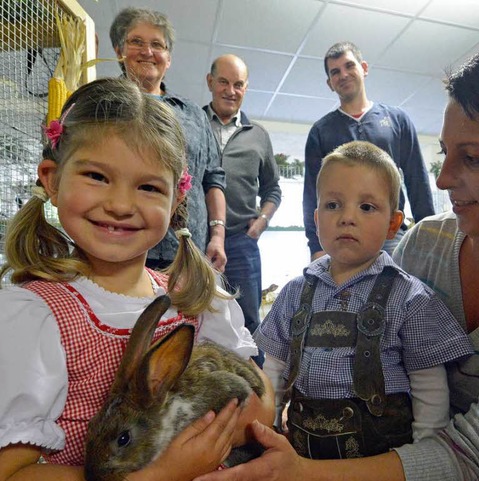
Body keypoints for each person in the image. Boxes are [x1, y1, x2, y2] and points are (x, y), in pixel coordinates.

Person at [192, 11, 479, 481]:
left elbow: (478, 454)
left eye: (474, 158)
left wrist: (299, 472)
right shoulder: (426, 244)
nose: (444, 179)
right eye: (446, 153)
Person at [0, 77, 274, 481]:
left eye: (148, 186)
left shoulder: (195, 300)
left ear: (176, 199)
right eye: (96, 176)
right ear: (52, 179)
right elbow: (11, 472)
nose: (120, 205)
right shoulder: (35, 316)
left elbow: (261, 403)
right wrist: (161, 473)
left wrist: (219, 432)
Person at [255, 140, 473, 459]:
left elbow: (429, 384)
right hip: (302, 457)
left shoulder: (410, 298)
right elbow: (273, 369)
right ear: (316, 220)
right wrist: (269, 428)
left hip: (379, 462)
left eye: (366, 207)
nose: (347, 218)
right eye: (333, 205)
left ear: (392, 225)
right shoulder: (293, 293)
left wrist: (426, 452)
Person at [110, 7, 227, 271]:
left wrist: (218, 236)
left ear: (168, 58)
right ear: (119, 51)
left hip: (187, 251)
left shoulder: (194, 114)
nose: (147, 52)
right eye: (136, 42)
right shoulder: (102, 105)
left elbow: (213, 179)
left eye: (157, 45)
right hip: (120, 249)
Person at [303, 41, 434, 261]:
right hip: (340, 235)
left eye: (349, 66)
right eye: (335, 72)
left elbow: (417, 179)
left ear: (364, 68)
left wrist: (430, 237)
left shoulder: (397, 120)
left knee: (397, 292)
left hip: (390, 237)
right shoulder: (320, 131)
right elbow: (311, 193)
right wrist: (316, 246)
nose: (343, 75)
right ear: (329, 83)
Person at [203, 54, 282, 364]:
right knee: (200, 318)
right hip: (195, 237)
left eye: (238, 84)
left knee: (250, 321)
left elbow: (273, 188)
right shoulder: (193, 124)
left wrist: (261, 222)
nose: (230, 90)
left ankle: (257, 397)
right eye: (223, 82)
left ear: (246, 89)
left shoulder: (258, 136)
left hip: (240, 241)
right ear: (210, 82)